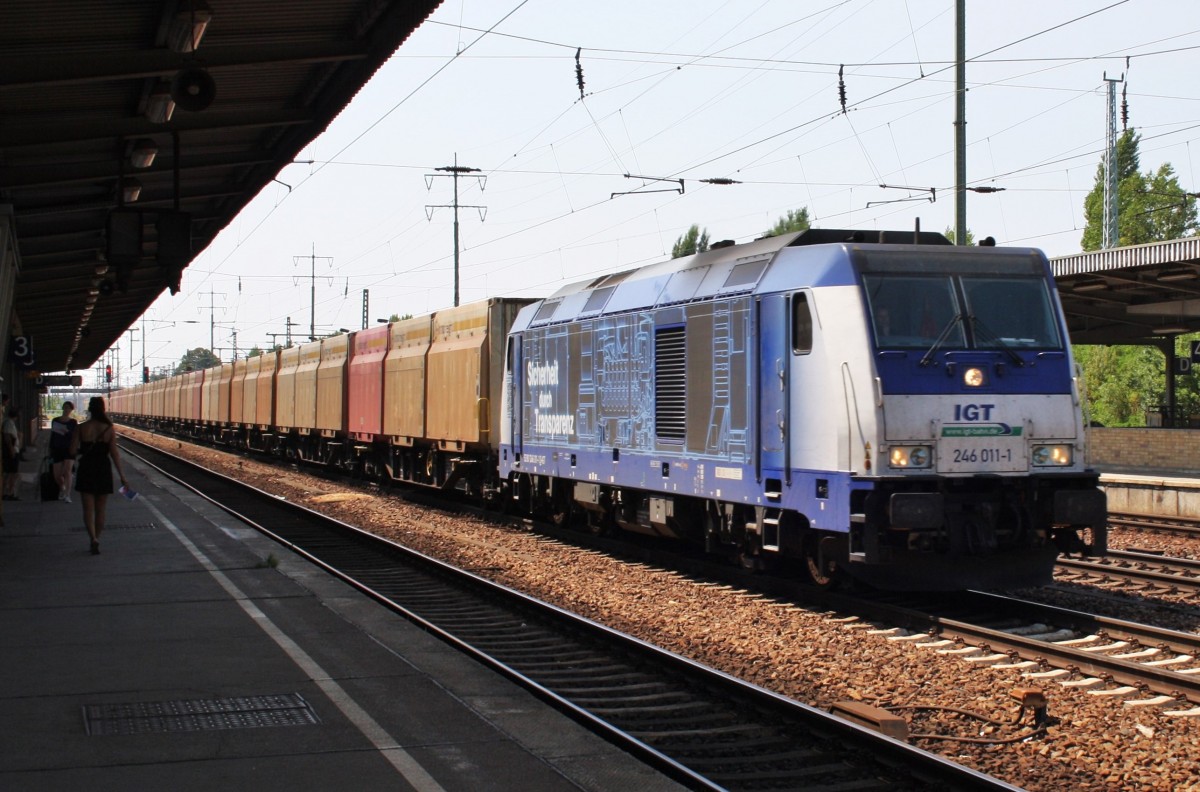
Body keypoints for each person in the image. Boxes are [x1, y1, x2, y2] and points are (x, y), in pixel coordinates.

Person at [69, 396, 129, 555]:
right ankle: (98, 537)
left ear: (90, 409)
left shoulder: (81, 428)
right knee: (101, 509)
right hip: (103, 469)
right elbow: (115, 454)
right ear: (102, 409)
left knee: (88, 509)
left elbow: (72, 451)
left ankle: (93, 538)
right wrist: (122, 476)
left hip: (86, 468)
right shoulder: (108, 428)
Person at [49, 401, 78, 502]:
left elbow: (75, 436)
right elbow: (52, 435)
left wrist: (67, 432)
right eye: (65, 407)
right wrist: (50, 448)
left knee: (67, 471)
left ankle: (67, 495)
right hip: (57, 448)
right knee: (57, 475)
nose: (66, 410)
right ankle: (62, 488)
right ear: (62, 408)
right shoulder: (55, 420)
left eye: (68, 408)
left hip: (69, 449)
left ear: (71, 410)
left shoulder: (73, 422)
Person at [2, 405, 21, 501]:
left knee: (9, 473)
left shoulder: (8, 422)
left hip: (12, 450)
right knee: (12, 473)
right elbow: (7, 437)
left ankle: (7, 492)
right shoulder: (9, 423)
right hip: (12, 451)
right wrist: (11, 450)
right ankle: (10, 493)